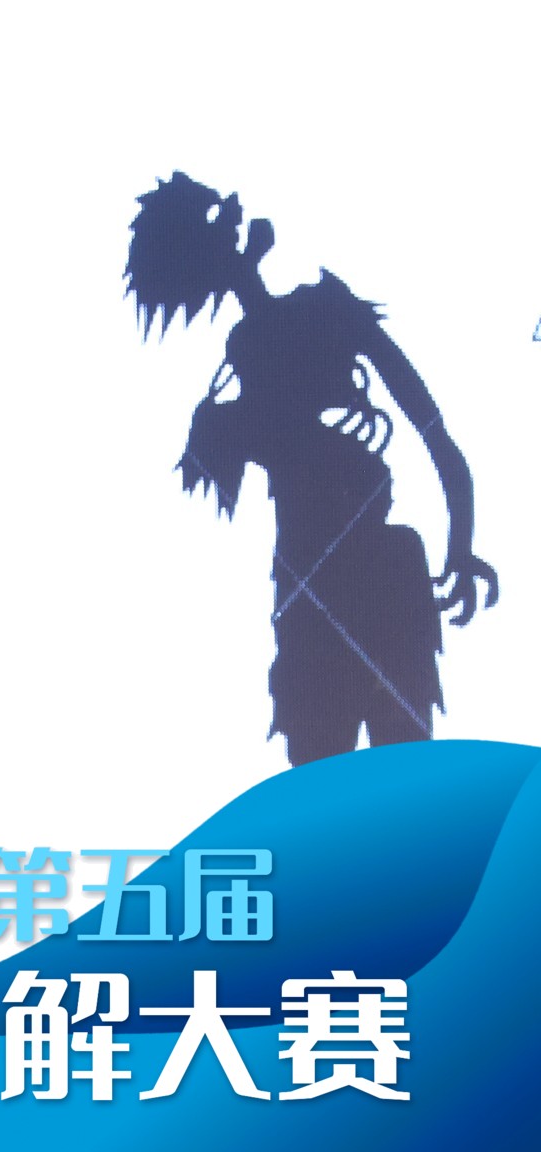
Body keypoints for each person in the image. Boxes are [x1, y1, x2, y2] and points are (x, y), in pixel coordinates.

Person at [125, 174, 500, 766]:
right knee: (334, 772)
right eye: (219, 219)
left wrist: (462, 543)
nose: (236, 211)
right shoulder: (262, 348)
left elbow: (436, 435)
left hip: (359, 572)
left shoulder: (316, 318)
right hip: (311, 577)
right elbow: (435, 438)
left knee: (389, 769)